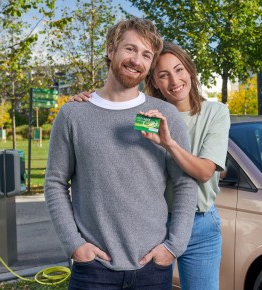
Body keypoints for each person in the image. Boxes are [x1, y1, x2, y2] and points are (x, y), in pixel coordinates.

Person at [44, 19, 198, 290]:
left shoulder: (164, 115)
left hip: (153, 267)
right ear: (110, 49)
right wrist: (75, 245)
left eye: (146, 55)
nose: (137, 60)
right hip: (93, 270)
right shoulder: (73, 115)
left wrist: (173, 247)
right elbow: (55, 183)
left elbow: (185, 183)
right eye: (130, 49)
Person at [73, 42, 230, 290]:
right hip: (150, 225)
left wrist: (169, 144)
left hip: (200, 224)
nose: (174, 81)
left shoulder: (215, 112)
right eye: (163, 75)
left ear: (190, 71)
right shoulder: (145, 116)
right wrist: (91, 100)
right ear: (154, 81)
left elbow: (204, 172)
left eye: (179, 70)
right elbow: (113, 132)